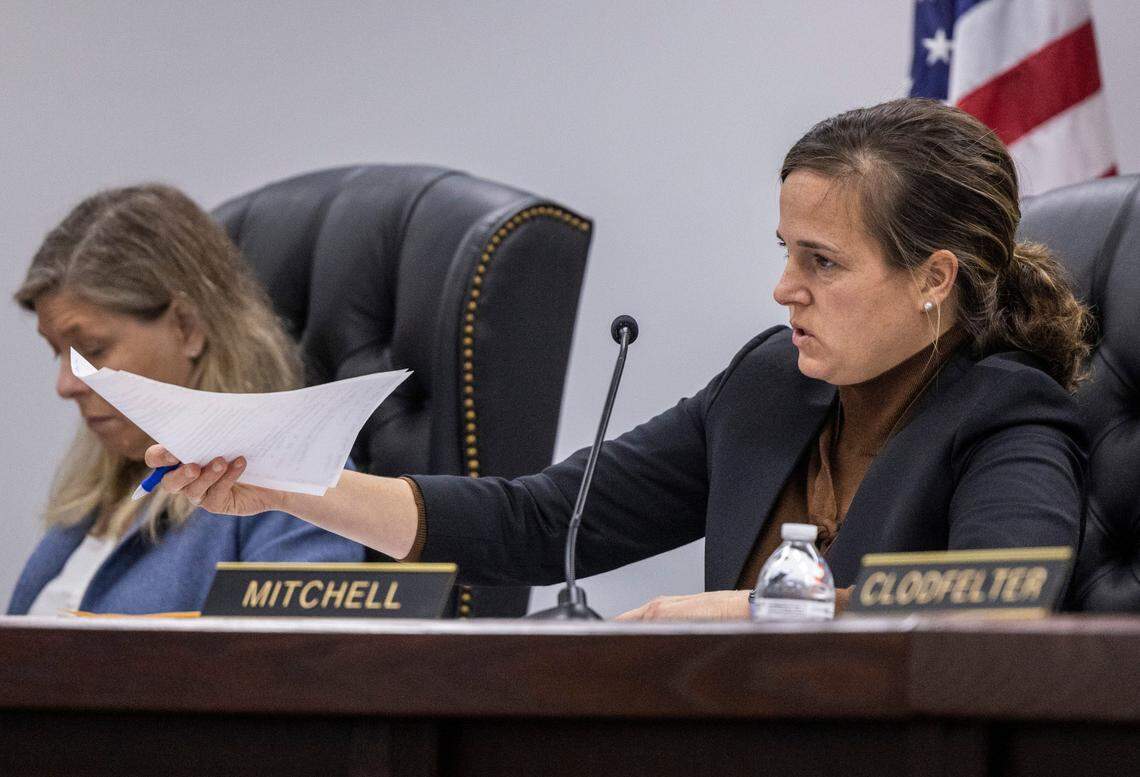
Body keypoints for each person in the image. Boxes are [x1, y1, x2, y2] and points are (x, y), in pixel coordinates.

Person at [147, 99, 1091, 619]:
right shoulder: (769, 386)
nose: (785, 289)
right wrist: (284, 485)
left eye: (823, 262)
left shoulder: (1007, 413)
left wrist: (745, 613)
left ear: (933, 276)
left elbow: (1001, 596)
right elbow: (538, 520)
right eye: (785, 252)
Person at [7, 184, 364, 616]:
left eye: (92, 351)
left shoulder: (294, 482)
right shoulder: (95, 495)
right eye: (57, 353)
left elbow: (300, 671)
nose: (65, 384)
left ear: (187, 326)